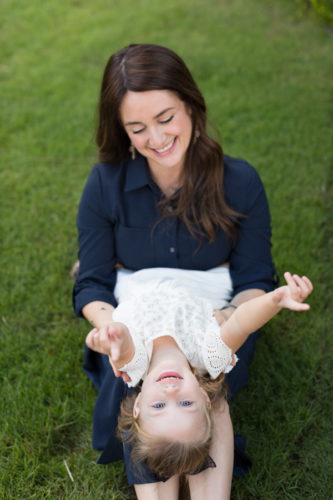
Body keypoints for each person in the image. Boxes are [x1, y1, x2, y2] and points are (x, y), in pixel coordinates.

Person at [73, 43, 279, 499]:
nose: (157, 137)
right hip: (136, 317)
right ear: (123, 132)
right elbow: (92, 284)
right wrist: (110, 329)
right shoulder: (105, 184)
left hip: (214, 312)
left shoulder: (240, 182)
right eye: (138, 128)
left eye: (166, 118)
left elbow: (254, 281)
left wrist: (227, 321)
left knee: (210, 388)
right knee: (139, 386)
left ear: (190, 105)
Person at [85, 270, 312, 479]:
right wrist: (274, 301)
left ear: (138, 405)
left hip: (136, 283)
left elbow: (123, 343)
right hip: (197, 284)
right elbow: (241, 324)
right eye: (185, 403)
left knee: (113, 279)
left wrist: (111, 338)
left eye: (158, 406)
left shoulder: (136, 365)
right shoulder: (209, 357)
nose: (170, 392)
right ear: (204, 398)